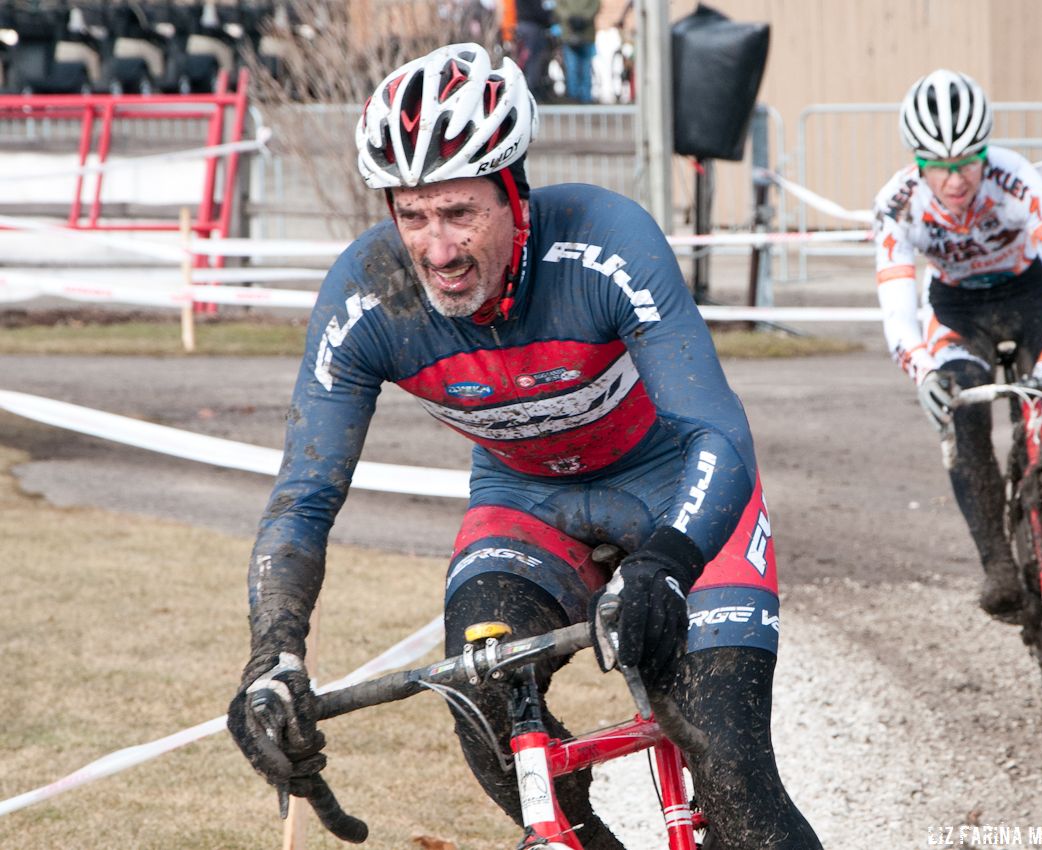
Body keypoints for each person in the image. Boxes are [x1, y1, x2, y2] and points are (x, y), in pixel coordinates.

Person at [226, 43, 824, 849]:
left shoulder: (606, 243)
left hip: (678, 490)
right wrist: (273, 656)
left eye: (460, 212)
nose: (437, 251)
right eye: (413, 215)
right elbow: (303, 497)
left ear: (515, 192)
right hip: (525, 502)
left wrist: (670, 562)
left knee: (730, 764)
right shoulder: (367, 300)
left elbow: (719, 431)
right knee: (487, 717)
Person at [872, 69, 1042, 661]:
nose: (955, 178)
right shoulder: (896, 206)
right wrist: (922, 370)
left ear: (984, 151)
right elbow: (897, 307)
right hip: (955, 314)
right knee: (964, 411)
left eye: (967, 161)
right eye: (938, 164)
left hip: (1029, 303)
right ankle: (998, 564)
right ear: (917, 162)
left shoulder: (1014, 177)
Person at [555, 0, 600, 103]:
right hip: (569, 34)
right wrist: (570, 18)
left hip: (586, 34)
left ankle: (585, 99)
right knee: (572, 68)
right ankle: (574, 98)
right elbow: (559, 7)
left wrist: (584, 18)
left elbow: (595, 5)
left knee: (585, 69)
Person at [515, 0, 555, 100]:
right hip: (533, 27)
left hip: (523, 25)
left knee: (527, 60)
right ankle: (531, 91)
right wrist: (550, 18)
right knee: (534, 61)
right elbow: (539, 11)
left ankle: (528, 90)